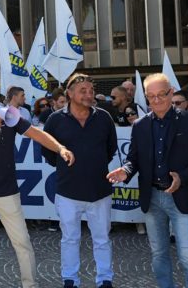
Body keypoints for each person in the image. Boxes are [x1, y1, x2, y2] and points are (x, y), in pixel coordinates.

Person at [0, 77, 74, 288]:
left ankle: (30, 285)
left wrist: (60, 148)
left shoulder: (7, 115)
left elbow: (36, 133)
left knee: (22, 242)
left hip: (6, 190)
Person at [107, 73, 188, 288]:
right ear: (145, 97)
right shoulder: (140, 125)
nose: (157, 100)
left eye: (162, 94)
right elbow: (133, 159)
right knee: (158, 254)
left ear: (171, 92)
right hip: (151, 198)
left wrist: (182, 177)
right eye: (151, 96)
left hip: (182, 197)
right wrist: (125, 171)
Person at [42, 74, 117, 288]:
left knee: (102, 239)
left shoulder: (103, 117)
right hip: (67, 192)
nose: (88, 94)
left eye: (90, 90)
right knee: (69, 239)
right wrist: (67, 168)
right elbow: (47, 151)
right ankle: (70, 279)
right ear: (70, 93)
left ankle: (105, 279)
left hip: (100, 191)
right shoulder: (55, 120)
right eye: (82, 90)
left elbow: (110, 149)